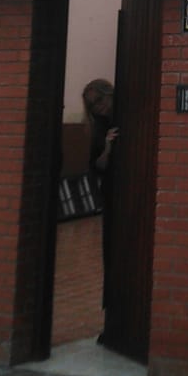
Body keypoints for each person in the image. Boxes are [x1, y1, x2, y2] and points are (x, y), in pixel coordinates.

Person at [82, 78, 118, 336]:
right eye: (92, 105)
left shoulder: (127, 116)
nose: (98, 107)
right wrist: (107, 148)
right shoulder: (98, 129)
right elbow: (98, 165)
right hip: (112, 194)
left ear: (109, 94)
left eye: (99, 100)